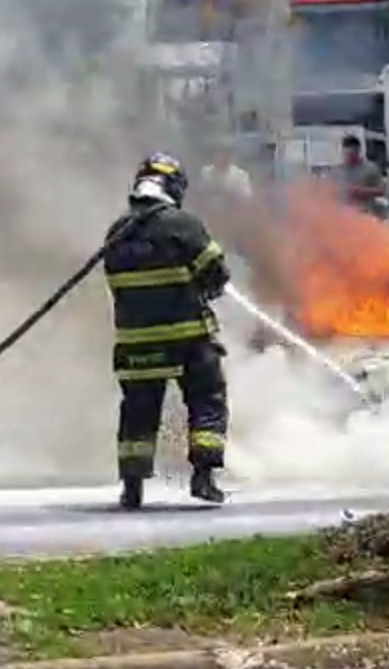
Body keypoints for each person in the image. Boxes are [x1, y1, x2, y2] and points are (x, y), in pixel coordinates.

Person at [102, 153, 232, 510]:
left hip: (135, 342)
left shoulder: (117, 232)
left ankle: (132, 486)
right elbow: (216, 273)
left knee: (138, 411)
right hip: (186, 338)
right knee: (207, 400)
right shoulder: (183, 224)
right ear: (173, 187)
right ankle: (204, 476)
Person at [335, 133, 385, 215]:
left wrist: (360, 190)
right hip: (343, 216)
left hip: (364, 213)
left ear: (358, 151)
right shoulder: (337, 171)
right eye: (346, 154)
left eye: (352, 154)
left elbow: (381, 191)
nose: (349, 157)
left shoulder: (370, 168)